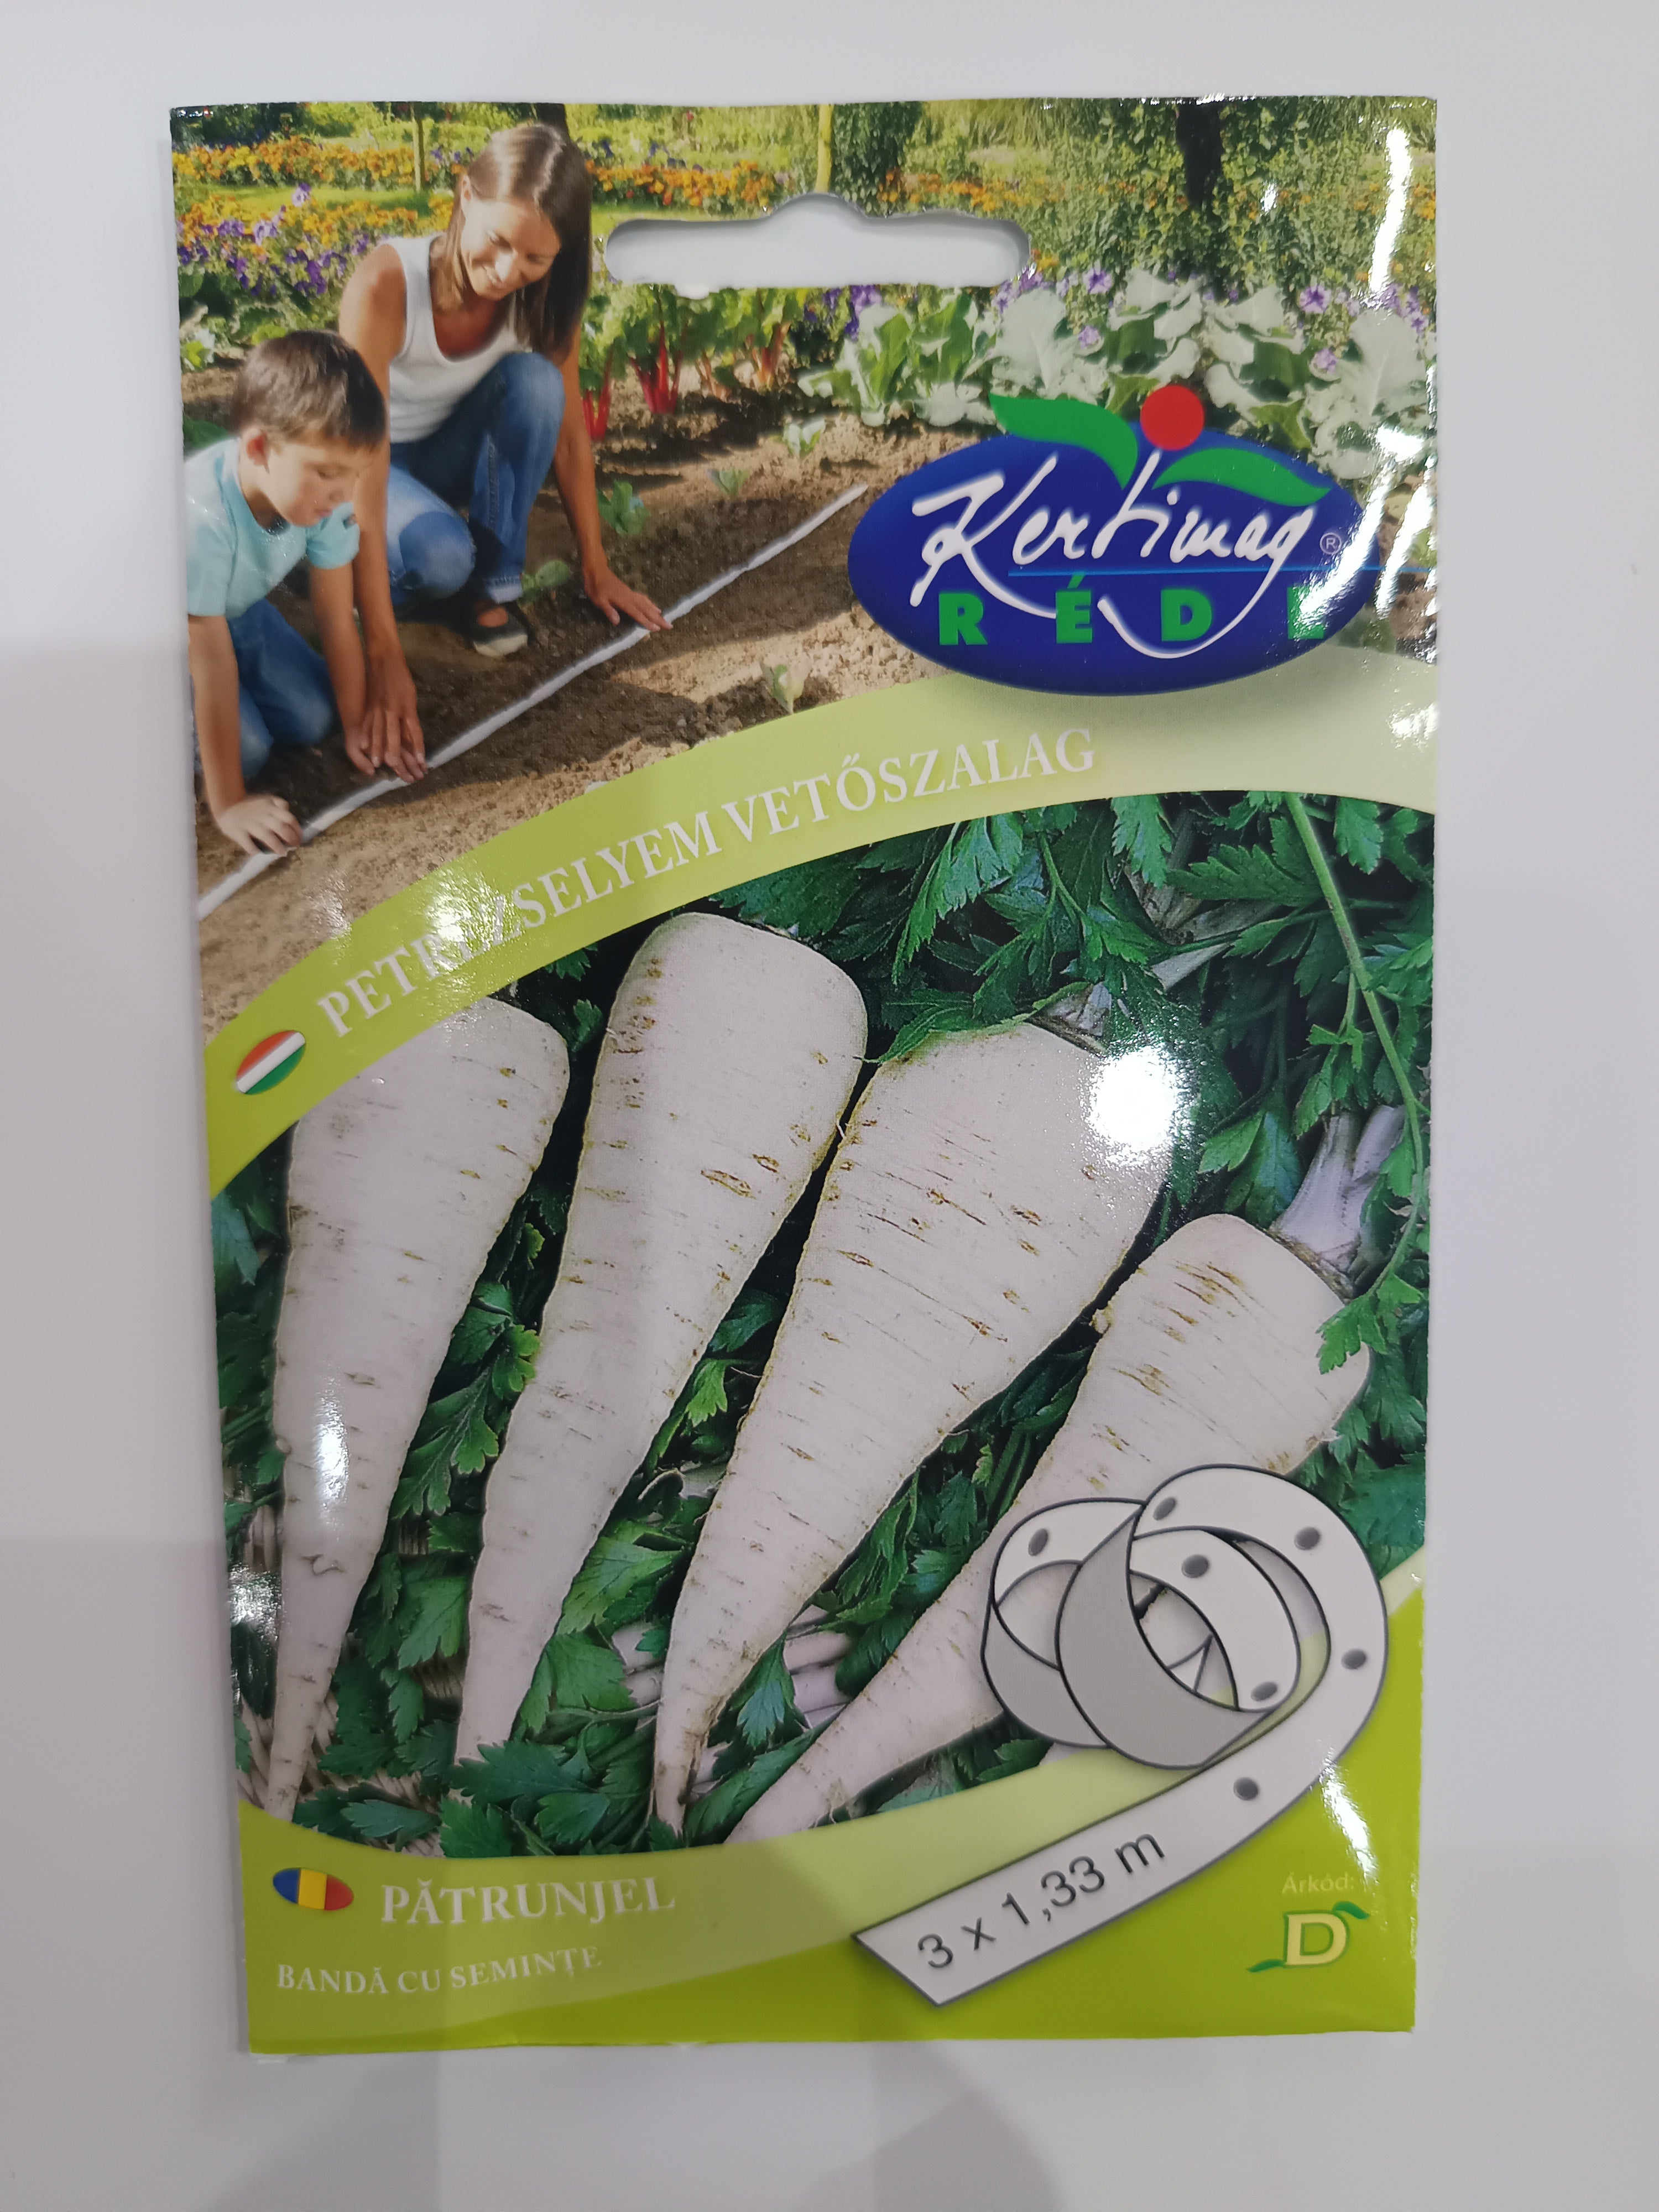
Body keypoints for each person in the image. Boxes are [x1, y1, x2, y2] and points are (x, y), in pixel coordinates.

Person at [340, 120, 668, 782]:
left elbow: (569, 438)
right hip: (364, 467)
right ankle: (352, 576)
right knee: (439, 556)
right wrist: (382, 653)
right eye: (497, 242)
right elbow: (358, 465)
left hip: (441, 457)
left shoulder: (542, 302)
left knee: (538, 385)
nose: (506, 272)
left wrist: (597, 567)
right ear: (465, 196)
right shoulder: (386, 286)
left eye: (535, 259)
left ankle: (489, 587)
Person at [185, 330, 385, 855]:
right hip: (172, 638)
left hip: (240, 612)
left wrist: (356, 725)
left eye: (355, 475)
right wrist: (230, 803)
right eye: (328, 473)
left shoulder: (325, 500)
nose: (344, 493)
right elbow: (209, 664)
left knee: (315, 716)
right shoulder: (202, 520)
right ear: (259, 448)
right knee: (249, 751)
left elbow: (336, 616)